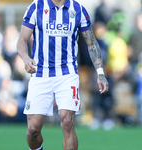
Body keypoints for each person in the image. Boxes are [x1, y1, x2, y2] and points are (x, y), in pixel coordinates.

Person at [17, 0, 109, 149]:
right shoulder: (36, 7)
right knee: (33, 129)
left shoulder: (78, 9)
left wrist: (100, 73)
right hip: (40, 73)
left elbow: (91, 43)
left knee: (67, 122)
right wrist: (26, 59)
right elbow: (22, 39)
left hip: (67, 74)